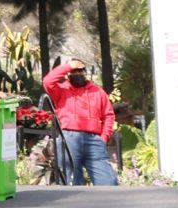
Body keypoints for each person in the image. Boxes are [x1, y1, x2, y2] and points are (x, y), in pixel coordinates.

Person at [41, 54, 121, 185]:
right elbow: (47, 81)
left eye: (80, 70)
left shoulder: (98, 92)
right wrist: (69, 66)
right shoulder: (61, 90)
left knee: (108, 182)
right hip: (69, 138)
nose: (77, 73)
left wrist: (103, 138)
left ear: (85, 72)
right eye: (74, 71)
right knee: (72, 183)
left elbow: (108, 115)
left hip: (94, 140)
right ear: (67, 74)